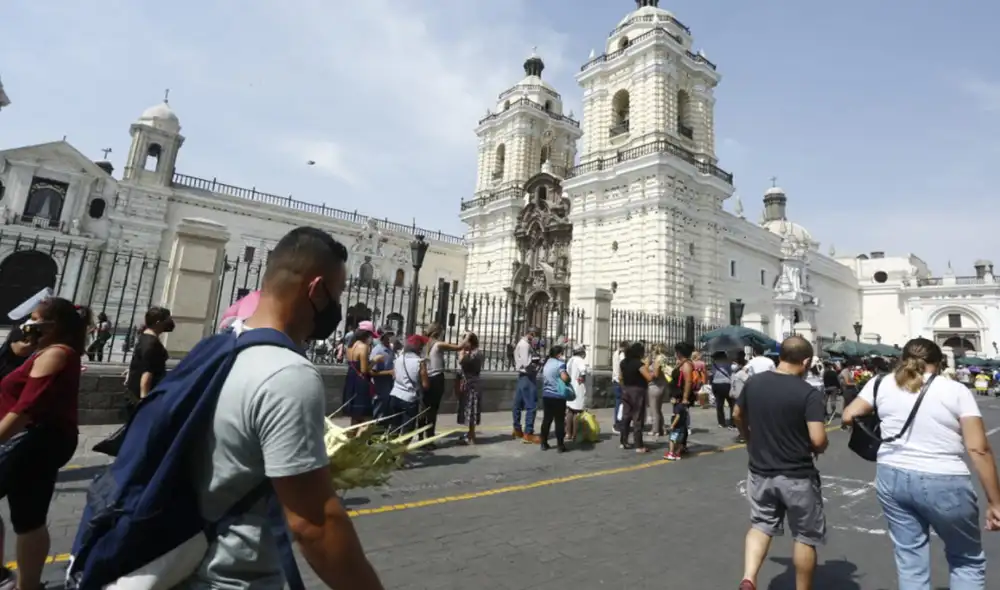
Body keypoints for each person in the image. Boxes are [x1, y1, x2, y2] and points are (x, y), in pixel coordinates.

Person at [183, 226, 384, 589]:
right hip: (234, 579)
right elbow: (314, 524)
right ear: (315, 290)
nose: (337, 309)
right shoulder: (288, 374)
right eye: (336, 295)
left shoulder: (212, 351)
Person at [842, 338, 1000, 589]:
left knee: (910, 560)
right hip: (943, 477)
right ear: (937, 363)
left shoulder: (880, 383)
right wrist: (995, 502)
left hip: (891, 473)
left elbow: (849, 415)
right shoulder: (955, 391)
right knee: (966, 559)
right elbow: (978, 448)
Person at [0, 299, 90, 590]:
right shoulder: (44, 352)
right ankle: (26, 584)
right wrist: (18, 351)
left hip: (35, 441)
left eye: (35, 318)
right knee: (29, 517)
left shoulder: (56, 354)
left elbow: (25, 408)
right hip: (40, 441)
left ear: (53, 325)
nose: (29, 322)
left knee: (29, 516)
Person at [734, 336, 828, 590]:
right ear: (806, 361)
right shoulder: (808, 393)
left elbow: (736, 414)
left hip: (761, 470)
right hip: (797, 474)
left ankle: (749, 577)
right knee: (805, 536)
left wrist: (748, 437)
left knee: (761, 525)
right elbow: (818, 439)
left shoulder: (754, 382)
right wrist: (818, 447)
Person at [421, 324, 464, 448]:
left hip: (425, 377)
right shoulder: (438, 344)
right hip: (436, 378)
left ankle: (420, 437)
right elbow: (459, 347)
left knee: (424, 408)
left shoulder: (424, 344)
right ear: (438, 333)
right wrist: (467, 337)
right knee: (433, 409)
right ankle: (429, 439)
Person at [125, 307, 173, 409]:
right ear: (158, 322)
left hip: (134, 393)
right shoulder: (152, 343)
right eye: (167, 319)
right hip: (144, 395)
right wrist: (144, 401)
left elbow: (140, 362)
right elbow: (147, 373)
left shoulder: (144, 337)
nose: (170, 322)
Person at [389, 334, 430, 437]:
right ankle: (402, 450)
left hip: (395, 395)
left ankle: (391, 449)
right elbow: (425, 385)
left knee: (394, 426)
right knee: (408, 429)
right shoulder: (420, 363)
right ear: (419, 347)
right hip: (410, 399)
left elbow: (394, 376)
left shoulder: (398, 359)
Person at [343, 321, 377, 428]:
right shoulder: (363, 347)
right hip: (360, 382)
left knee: (354, 415)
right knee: (363, 416)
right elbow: (364, 369)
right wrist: (375, 361)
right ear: (367, 334)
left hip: (351, 378)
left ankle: (351, 436)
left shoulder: (350, 346)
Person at [619, 341, 652, 453]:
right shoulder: (639, 364)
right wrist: (650, 369)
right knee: (638, 418)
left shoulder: (623, 362)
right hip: (637, 391)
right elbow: (648, 377)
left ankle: (623, 441)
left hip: (626, 390)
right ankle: (639, 445)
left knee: (626, 416)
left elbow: (620, 377)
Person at [540, 345, 572, 452]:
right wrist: (568, 379)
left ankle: (543, 443)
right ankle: (560, 445)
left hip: (546, 395)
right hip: (558, 396)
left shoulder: (547, 363)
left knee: (547, 420)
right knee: (559, 420)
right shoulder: (560, 364)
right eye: (562, 353)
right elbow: (564, 377)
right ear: (558, 354)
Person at [512, 326, 541, 444]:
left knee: (518, 404)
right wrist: (537, 364)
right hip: (528, 376)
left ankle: (517, 429)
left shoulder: (522, 343)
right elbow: (527, 363)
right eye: (536, 335)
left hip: (522, 376)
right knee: (531, 405)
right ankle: (528, 433)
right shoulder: (525, 345)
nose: (537, 338)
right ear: (532, 334)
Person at [669, 341, 696, 455]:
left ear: (679, 352)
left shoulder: (686, 365)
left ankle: (677, 447)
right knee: (681, 421)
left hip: (681, 397)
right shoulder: (682, 363)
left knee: (678, 422)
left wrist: (685, 398)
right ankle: (682, 445)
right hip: (677, 396)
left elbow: (688, 381)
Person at [457, 332, 484, 444]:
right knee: (469, 410)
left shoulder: (475, 354)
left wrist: (461, 350)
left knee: (472, 409)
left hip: (472, 385)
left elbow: (461, 361)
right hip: (469, 383)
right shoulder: (474, 352)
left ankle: (471, 436)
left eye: (466, 341)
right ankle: (470, 433)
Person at [369, 328, 396, 422]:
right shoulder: (378, 351)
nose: (391, 338)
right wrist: (389, 372)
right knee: (378, 410)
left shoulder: (389, 349)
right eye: (389, 335)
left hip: (388, 384)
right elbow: (371, 372)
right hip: (380, 386)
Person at [565, 345, 588, 443]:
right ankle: (575, 434)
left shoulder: (571, 360)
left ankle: (568, 433)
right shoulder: (580, 360)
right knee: (577, 412)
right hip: (578, 387)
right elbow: (583, 371)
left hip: (570, 386)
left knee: (570, 410)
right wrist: (582, 378)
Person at [646, 343, 670, 441]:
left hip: (654, 385)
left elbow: (655, 373)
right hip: (662, 385)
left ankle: (655, 429)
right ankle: (662, 428)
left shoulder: (658, 359)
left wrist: (648, 371)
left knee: (654, 409)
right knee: (658, 409)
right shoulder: (664, 358)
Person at [710, 350, 735, 430]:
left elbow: (712, 374)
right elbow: (731, 373)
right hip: (726, 384)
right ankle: (732, 422)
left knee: (719, 404)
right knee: (732, 404)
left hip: (716, 384)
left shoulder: (714, 364)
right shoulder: (728, 363)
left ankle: (721, 422)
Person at [664, 388, 688, 461]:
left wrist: (672, 425)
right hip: (683, 427)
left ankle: (671, 453)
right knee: (680, 442)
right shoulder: (683, 407)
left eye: (672, 399)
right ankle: (677, 453)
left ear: (677, 400)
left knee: (672, 440)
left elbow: (677, 416)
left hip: (676, 428)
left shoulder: (676, 407)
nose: (670, 401)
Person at [611, 340, 627, 434]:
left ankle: (618, 422)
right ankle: (618, 423)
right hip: (620, 381)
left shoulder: (615, 353)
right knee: (620, 403)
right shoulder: (622, 355)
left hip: (615, 380)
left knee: (618, 402)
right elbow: (622, 368)